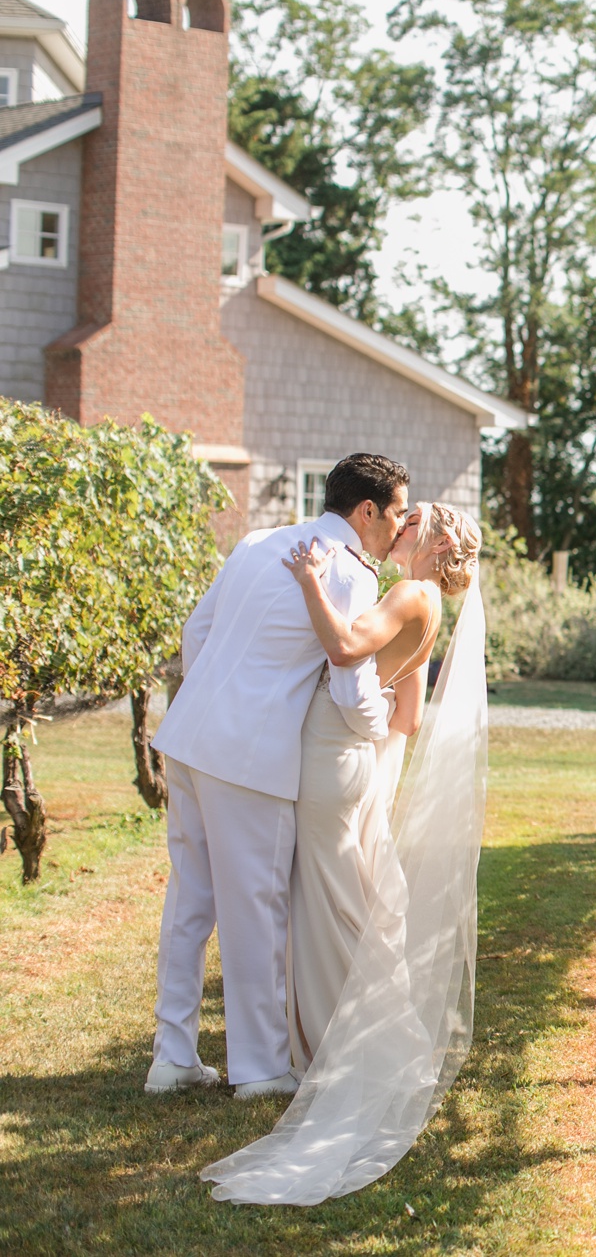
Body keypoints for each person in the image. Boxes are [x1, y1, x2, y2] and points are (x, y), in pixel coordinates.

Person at [201, 501, 487, 1206]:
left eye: (411, 518)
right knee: (346, 897)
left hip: (330, 763)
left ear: (435, 538)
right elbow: (410, 715)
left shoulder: (407, 593)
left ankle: (340, 1049)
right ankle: (346, 1040)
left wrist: (309, 579)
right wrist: (369, 722)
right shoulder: (428, 605)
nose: (399, 525)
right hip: (351, 759)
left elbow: (343, 647)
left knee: (326, 903)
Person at [146, 454, 407, 1099]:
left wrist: (213, 699)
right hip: (249, 759)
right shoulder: (349, 574)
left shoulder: (260, 541)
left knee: (189, 903)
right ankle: (261, 1071)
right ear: (366, 511)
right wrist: (387, 729)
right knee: (257, 914)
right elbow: (349, 694)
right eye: (398, 512)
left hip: (188, 737)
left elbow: (196, 631)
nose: (400, 528)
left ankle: (172, 1057)